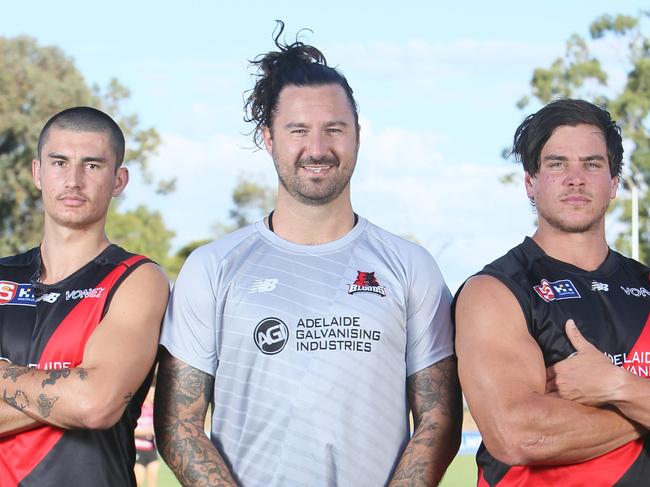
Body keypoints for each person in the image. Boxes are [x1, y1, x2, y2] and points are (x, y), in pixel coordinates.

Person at [155, 22, 461, 487]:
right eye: (298, 130)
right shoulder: (213, 268)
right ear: (268, 138)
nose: (317, 149)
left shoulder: (411, 267)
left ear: (357, 133)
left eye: (333, 129)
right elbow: (179, 424)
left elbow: (439, 420)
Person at [454, 98, 650, 486]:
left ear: (613, 184)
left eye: (592, 164)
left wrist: (615, 385)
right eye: (558, 164)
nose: (575, 179)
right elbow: (519, 434)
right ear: (530, 182)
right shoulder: (495, 291)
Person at [0, 106, 169, 486]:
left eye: (92, 165)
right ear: (37, 173)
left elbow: (96, 405)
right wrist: (72, 386)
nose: (73, 180)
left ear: (118, 180)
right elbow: (84, 397)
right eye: (59, 162)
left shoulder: (137, 278)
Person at [135, 384, 160, 487]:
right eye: (151, 393)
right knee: (138, 482)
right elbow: (133, 431)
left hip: (151, 450)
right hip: (138, 450)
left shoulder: (156, 410)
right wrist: (148, 431)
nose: (153, 396)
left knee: (152, 483)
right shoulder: (138, 409)